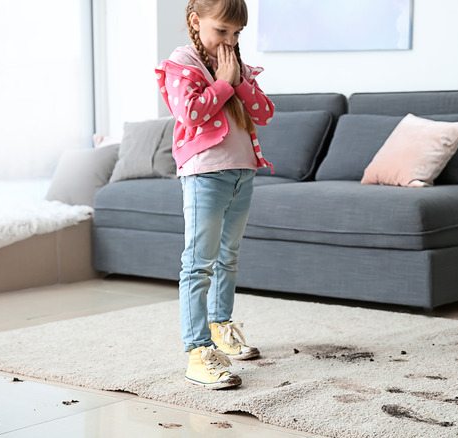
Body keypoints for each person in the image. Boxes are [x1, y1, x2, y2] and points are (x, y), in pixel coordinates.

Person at [155, 0, 274, 390]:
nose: (229, 41)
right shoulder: (183, 62)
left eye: (236, 34)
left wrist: (236, 79)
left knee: (228, 256)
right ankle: (197, 352)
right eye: (222, 31)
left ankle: (221, 325)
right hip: (205, 175)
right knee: (198, 263)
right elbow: (190, 113)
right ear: (196, 21)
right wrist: (223, 82)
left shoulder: (233, 65)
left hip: (242, 173)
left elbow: (264, 112)